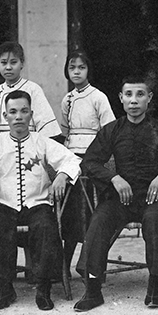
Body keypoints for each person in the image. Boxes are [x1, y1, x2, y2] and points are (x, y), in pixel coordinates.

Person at [74, 75, 158, 311]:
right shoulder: (112, 130)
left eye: (140, 94)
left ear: (149, 98)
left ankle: (155, 283)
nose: (134, 101)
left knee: (152, 220)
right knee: (99, 219)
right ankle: (92, 289)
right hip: (121, 199)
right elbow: (89, 162)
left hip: (153, 199)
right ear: (120, 98)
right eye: (128, 95)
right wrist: (114, 178)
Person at [0, 90, 81, 311]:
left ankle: (43, 289)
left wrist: (61, 176)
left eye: (24, 111)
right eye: (13, 112)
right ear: (5, 116)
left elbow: (72, 160)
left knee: (45, 226)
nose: (19, 116)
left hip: (37, 204)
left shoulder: (42, 142)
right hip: (4, 205)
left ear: (31, 114)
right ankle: (5, 289)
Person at [57, 51, 115, 274]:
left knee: (92, 211)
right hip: (72, 157)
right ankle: (64, 262)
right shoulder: (67, 99)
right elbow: (65, 132)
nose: (77, 72)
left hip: (94, 156)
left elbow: (109, 131)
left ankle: (89, 261)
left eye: (81, 67)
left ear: (89, 70)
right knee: (71, 212)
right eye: (72, 68)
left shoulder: (98, 97)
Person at [0, 41, 61, 141]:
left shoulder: (33, 89)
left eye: (13, 62)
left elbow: (46, 127)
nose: (8, 67)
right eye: (3, 62)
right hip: (1, 147)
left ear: (22, 63)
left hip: (29, 146)